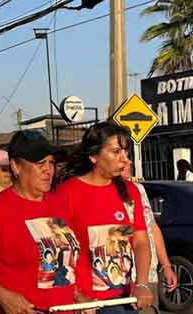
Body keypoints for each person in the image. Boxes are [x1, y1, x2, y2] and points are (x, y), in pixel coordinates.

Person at [0, 131, 88, 314]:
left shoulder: (58, 203)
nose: (48, 170)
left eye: (51, 162)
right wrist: (4, 297)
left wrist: (75, 295)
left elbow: (62, 263)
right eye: (40, 163)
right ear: (15, 166)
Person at [55, 122, 154, 313]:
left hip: (125, 299)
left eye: (126, 152)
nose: (124, 159)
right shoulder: (67, 193)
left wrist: (142, 283)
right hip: (87, 303)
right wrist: (76, 295)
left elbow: (140, 242)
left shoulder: (130, 192)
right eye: (116, 152)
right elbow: (59, 252)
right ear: (93, 156)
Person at [121, 159, 178, 312]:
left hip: (149, 275)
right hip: (125, 280)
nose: (128, 162)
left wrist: (166, 265)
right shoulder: (107, 193)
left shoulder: (138, 189)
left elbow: (151, 226)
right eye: (117, 152)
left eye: (127, 155)